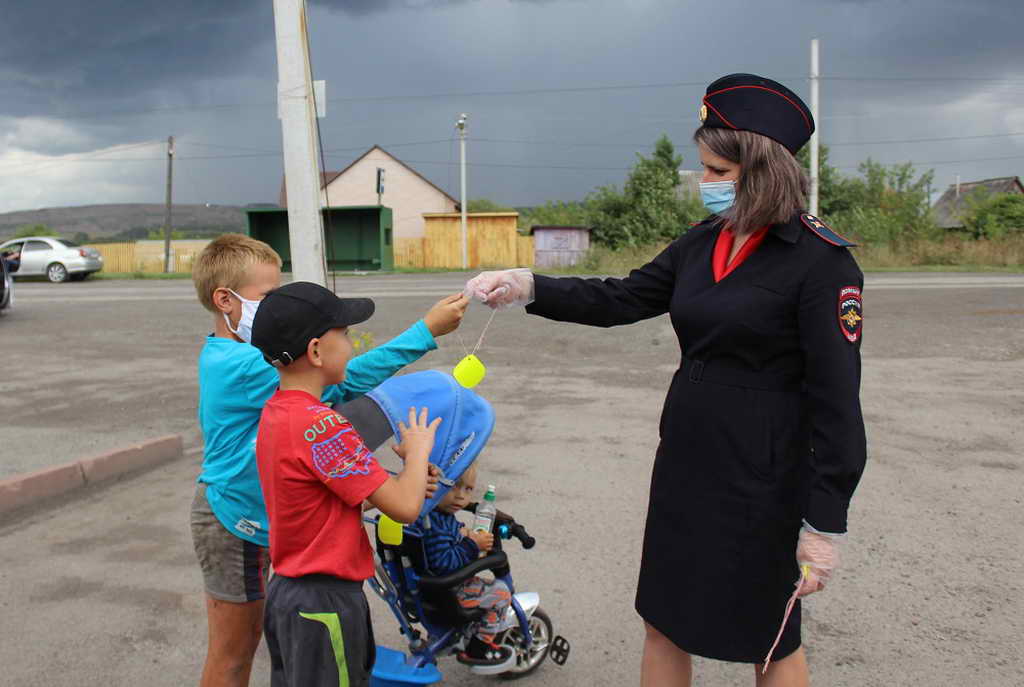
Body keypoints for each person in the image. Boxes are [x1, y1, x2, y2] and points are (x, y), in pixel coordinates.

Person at [465, 73, 867, 687]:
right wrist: (530, 287)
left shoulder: (821, 262)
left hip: (763, 476)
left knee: (770, 637)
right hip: (687, 461)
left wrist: (824, 521)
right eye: (703, 168)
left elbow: (837, 400)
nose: (704, 182)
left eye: (716, 171)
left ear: (760, 170)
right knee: (663, 618)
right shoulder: (703, 242)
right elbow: (622, 297)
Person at [188, 234, 468, 687]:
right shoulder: (249, 368)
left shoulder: (284, 403)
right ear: (225, 299)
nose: (275, 304)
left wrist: (393, 482)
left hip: (268, 526)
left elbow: (319, 480)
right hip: (233, 521)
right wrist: (425, 332)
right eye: (267, 295)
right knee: (234, 655)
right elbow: (344, 379)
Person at [250, 281, 440, 687]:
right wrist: (418, 452)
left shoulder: (278, 415)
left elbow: (321, 499)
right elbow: (405, 509)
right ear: (317, 351)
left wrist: (403, 482)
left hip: (289, 596)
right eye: (347, 335)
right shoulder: (325, 426)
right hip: (326, 601)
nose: (352, 345)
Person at [421, 462, 514, 667]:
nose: (461, 496)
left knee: (483, 582)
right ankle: (478, 649)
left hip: (428, 589)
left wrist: (463, 533)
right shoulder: (434, 525)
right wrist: (472, 544)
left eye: (468, 489)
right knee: (501, 593)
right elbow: (444, 562)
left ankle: (446, 637)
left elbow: (450, 533)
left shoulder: (432, 515)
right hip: (448, 591)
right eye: (453, 486)